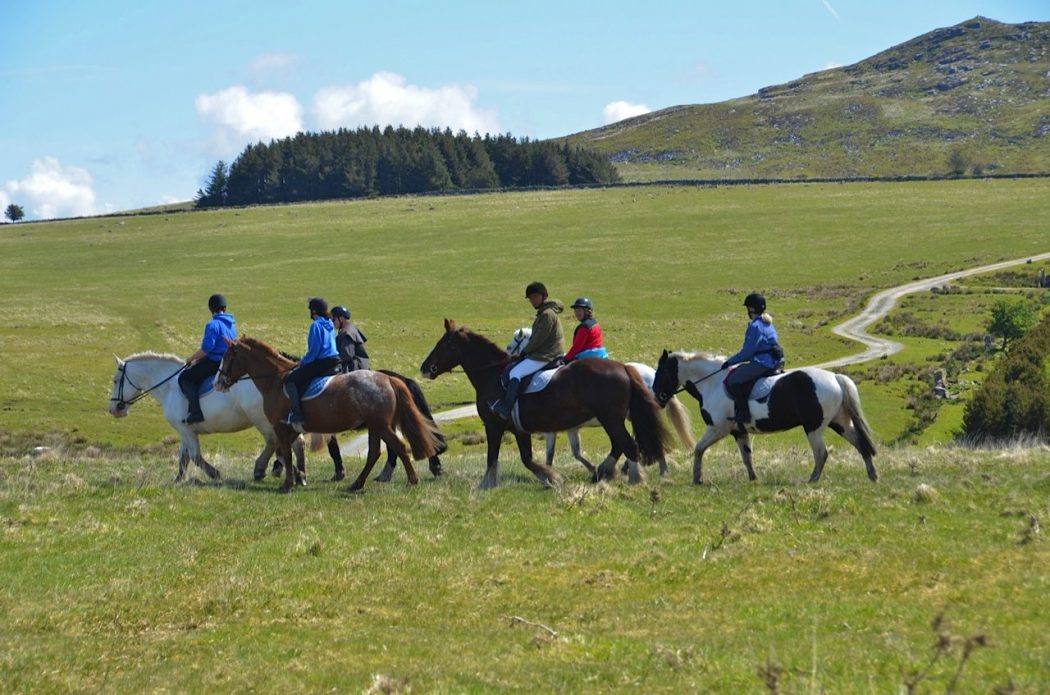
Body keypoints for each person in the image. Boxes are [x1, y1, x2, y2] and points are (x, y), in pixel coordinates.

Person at [491, 281, 565, 420]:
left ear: (544, 296)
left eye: (535, 297)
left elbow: (538, 339)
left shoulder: (547, 315)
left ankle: (506, 408)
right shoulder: (544, 313)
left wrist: (524, 352)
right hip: (545, 352)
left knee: (515, 372)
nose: (533, 300)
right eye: (531, 298)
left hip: (546, 355)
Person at [721, 292, 785, 424]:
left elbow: (747, 353)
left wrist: (729, 362)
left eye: (747, 309)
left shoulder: (755, 326)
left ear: (751, 309)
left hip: (763, 362)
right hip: (777, 360)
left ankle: (744, 414)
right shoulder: (767, 322)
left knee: (733, 380)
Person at [178, 294, 238, 424]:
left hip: (214, 362)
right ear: (225, 308)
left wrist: (190, 359)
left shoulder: (212, 325)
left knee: (185, 378)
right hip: (229, 362)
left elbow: (206, 349)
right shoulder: (232, 324)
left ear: (211, 309)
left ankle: (196, 413)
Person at [282, 297, 340, 427]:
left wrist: (302, 362)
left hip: (322, 363)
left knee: (290, 380)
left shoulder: (316, 325)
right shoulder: (330, 324)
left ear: (313, 311)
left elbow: (314, 351)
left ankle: (297, 415)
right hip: (335, 361)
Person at [564, 297, 608, 362]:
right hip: (600, 356)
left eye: (579, 310)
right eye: (575, 310)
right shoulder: (595, 323)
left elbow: (577, 347)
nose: (576, 313)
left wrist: (565, 359)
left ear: (587, 311)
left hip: (586, 358)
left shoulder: (584, 327)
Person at [331, 305, 370, 373]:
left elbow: (347, 355)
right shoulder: (351, 328)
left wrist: (331, 361)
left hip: (354, 368)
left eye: (333, 319)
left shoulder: (347, 333)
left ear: (341, 318)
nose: (332, 323)